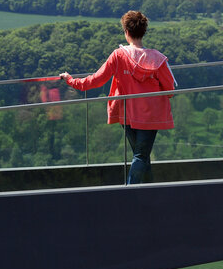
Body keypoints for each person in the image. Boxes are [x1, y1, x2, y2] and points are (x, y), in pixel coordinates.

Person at [60, 11, 176, 184]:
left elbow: (95, 80)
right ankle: (133, 191)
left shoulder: (118, 55)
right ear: (143, 31)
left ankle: (146, 190)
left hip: (126, 114)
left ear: (126, 32)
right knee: (141, 155)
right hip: (150, 115)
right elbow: (170, 90)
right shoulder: (158, 60)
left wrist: (71, 80)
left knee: (141, 155)